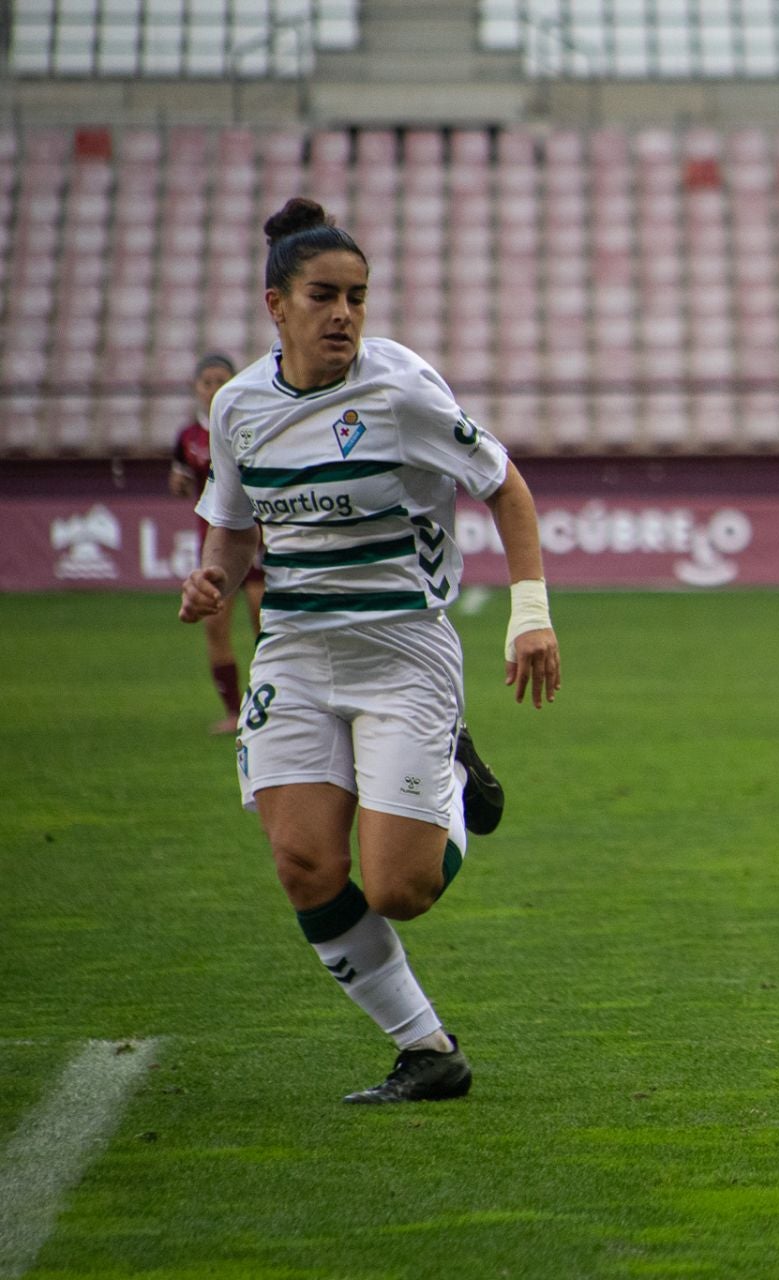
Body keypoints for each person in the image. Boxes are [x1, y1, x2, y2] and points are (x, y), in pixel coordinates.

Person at [179, 198, 558, 1104]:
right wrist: (212, 580)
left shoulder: (399, 391)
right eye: (324, 296)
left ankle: (455, 779)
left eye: (357, 296)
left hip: (402, 653)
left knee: (400, 889)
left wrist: (529, 611)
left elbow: (504, 483)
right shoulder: (239, 410)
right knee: (304, 864)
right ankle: (427, 1050)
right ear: (279, 306)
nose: (344, 313)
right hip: (297, 655)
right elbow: (232, 530)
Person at [170, 352, 264, 733]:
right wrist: (177, 485)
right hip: (212, 543)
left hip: (255, 540)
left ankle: (269, 703)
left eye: (220, 380)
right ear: (195, 386)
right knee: (216, 624)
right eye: (206, 381)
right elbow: (180, 477)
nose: (213, 388)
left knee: (265, 620)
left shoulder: (246, 427)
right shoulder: (187, 437)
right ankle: (233, 710)